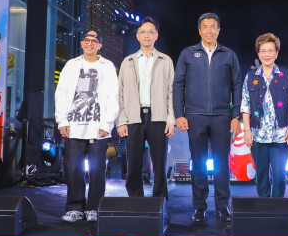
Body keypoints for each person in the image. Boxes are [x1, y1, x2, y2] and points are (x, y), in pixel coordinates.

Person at [173, 13, 242, 223]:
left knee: (222, 163)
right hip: (195, 115)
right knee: (198, 163)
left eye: (213, 27)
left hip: (222, 115)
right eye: (205, 27)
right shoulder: (187, 54)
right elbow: (178, 85)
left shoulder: (229, 55)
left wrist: (235, 115)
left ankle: (222, 206)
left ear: (219, 30)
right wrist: (179, 114)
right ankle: (199, 207)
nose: (209, 30)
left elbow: (237, 85)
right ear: (199, 30)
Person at [55, 29, 119, 222]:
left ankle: (94, 208)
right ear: (82, 43)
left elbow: (113, 96)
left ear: (100, 45)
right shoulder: (71, 65)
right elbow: (61, 93)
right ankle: (75, 208)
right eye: (86, 40)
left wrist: (108, 123)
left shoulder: (107, 66)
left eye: (94, 40)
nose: (89, 43)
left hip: (98, 126)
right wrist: (62, 120)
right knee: (73, 168)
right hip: (73, 125)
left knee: (97, 170)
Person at [117, 17, 176, 200]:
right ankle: (135, 201)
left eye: (151, 32)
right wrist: (121, 121)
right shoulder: (128, 61)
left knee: (159, 163)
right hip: (134, 117)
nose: (147, 35)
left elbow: (171, 91)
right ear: (137, 36)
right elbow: (120, 93)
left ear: (156, 35)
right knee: (133, 163)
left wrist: (171, 119)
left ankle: (160, 201)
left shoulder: (165, 60)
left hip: (158, 117)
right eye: (143, 32)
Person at [241, 33, 288, 198]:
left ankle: (278, 205)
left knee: (280, 174)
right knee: (261, 174)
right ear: (258, 53)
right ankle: (264, 205)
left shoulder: (285, 75)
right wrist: (247, 130)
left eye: (270, 50)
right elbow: (245, 105)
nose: (266, 54)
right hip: (258, 134)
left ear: (276, 53)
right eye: (263, 51)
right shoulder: (251, 76)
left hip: (281, 135)